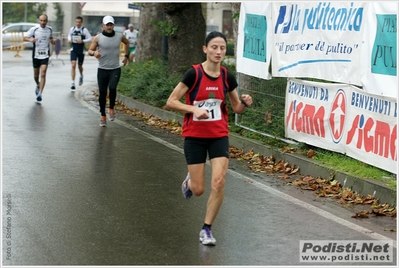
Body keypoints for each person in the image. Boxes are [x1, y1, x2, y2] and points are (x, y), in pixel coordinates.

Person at [165, 31, 253, 246]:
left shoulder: (226, 76)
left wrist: (245, 103)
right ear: (205, 49)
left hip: (218, 135)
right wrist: (193, 109)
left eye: (222, 48)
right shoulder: (193, 74)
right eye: (214, 47)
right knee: (198, 189)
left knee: (219, 181)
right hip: (194, 136)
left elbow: (236, 108)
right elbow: (171, 101)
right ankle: (190, 180)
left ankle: (206, 229)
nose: (218, 51)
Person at [87, 15, 130, 127]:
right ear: (103, 26)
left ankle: (111, 108)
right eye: (107, 25)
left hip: (115, 69)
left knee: (112, 88)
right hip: (102, 69)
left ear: (113, 25)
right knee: (102, 93)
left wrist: (126, 56)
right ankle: (102, 116)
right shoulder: (98, 38)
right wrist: (94, 53)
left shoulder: (119, 36)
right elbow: (90, 50)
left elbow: (127, 43)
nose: (109, 27)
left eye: (111, 24)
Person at [23, 14, 56, 102]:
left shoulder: (49, 29)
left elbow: (51, 39)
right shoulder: (34, 29)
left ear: (47, 21)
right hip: (36, 55)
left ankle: (40, 93)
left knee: (43, 74)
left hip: (45, 54)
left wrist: (53, 41)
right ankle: (38, 84)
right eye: (41, 20)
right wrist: (30, 40)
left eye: (44, 21)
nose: (43, 22)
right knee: (36, 75)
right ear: (39, 21)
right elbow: (24, 37)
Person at [67, 16, 92, 90]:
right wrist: (69, 40)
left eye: (79, 22)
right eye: (76, 22)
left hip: (81, 50)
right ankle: (72, 82)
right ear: (75, 22)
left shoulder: (84, 30)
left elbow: (90, 38)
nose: (78, 23)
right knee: (73, 65)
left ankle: (81, 75)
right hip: (73, 49)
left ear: (81, 22)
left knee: (79, 66)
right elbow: (69, 35)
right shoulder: (72, 29)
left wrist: (83, 41)